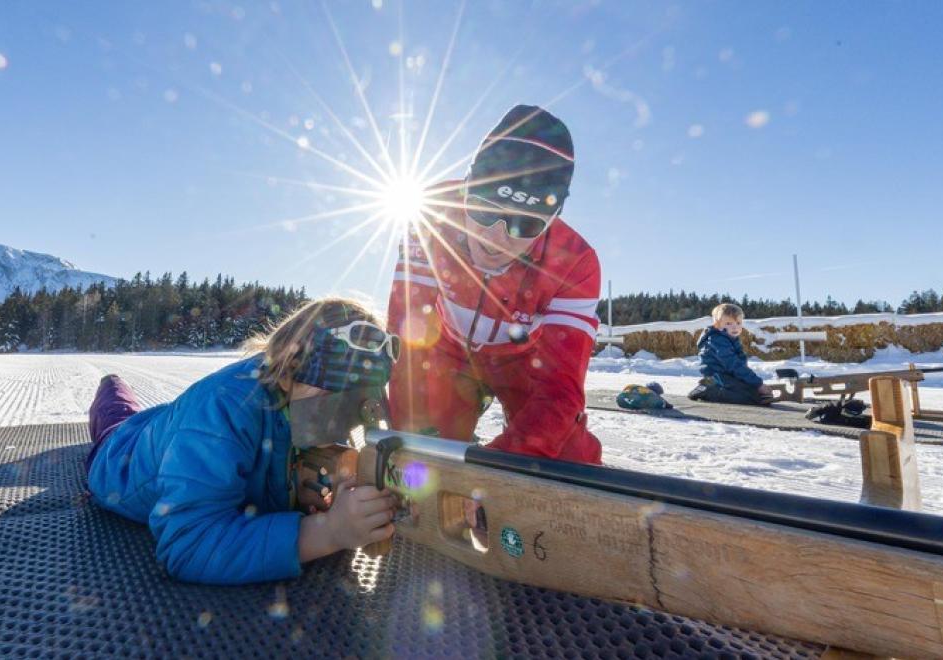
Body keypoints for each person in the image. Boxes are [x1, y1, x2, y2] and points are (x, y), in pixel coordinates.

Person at [85, 298, 399, 585]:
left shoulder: (304, 393)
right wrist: (328, 532)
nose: (341, 424)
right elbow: (188, 544)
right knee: (115, 414)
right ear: (290, 369)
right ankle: (110, 382)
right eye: (333, 402)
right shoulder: (221, 410)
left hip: (176, 428)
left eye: (356, 407)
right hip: (120, 457)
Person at [387, 104, 602, 464]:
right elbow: (406, 337)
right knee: (421, 451)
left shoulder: (576, 262)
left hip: (524, 363)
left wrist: (497, 466)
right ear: (466, 191)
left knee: (569, 455)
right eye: (484, 211)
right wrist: (408, 437)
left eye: (524, 224)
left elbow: (560, 392)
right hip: (445, 351)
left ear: (552, 221)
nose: (496, 238)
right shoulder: (430, 214)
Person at [688, 303, 773, 406]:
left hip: (726, 375)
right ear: (717, 325)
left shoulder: (731, 339)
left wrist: (753, 385)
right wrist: (758, 384)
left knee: (753, 391)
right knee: (752, 397)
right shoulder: (718, 341)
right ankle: (707, 391)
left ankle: (707, 385)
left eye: (738, 323)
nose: (734, 327)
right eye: (728, 323)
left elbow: (739, 366)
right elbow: (734, 365)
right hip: (717, 376)